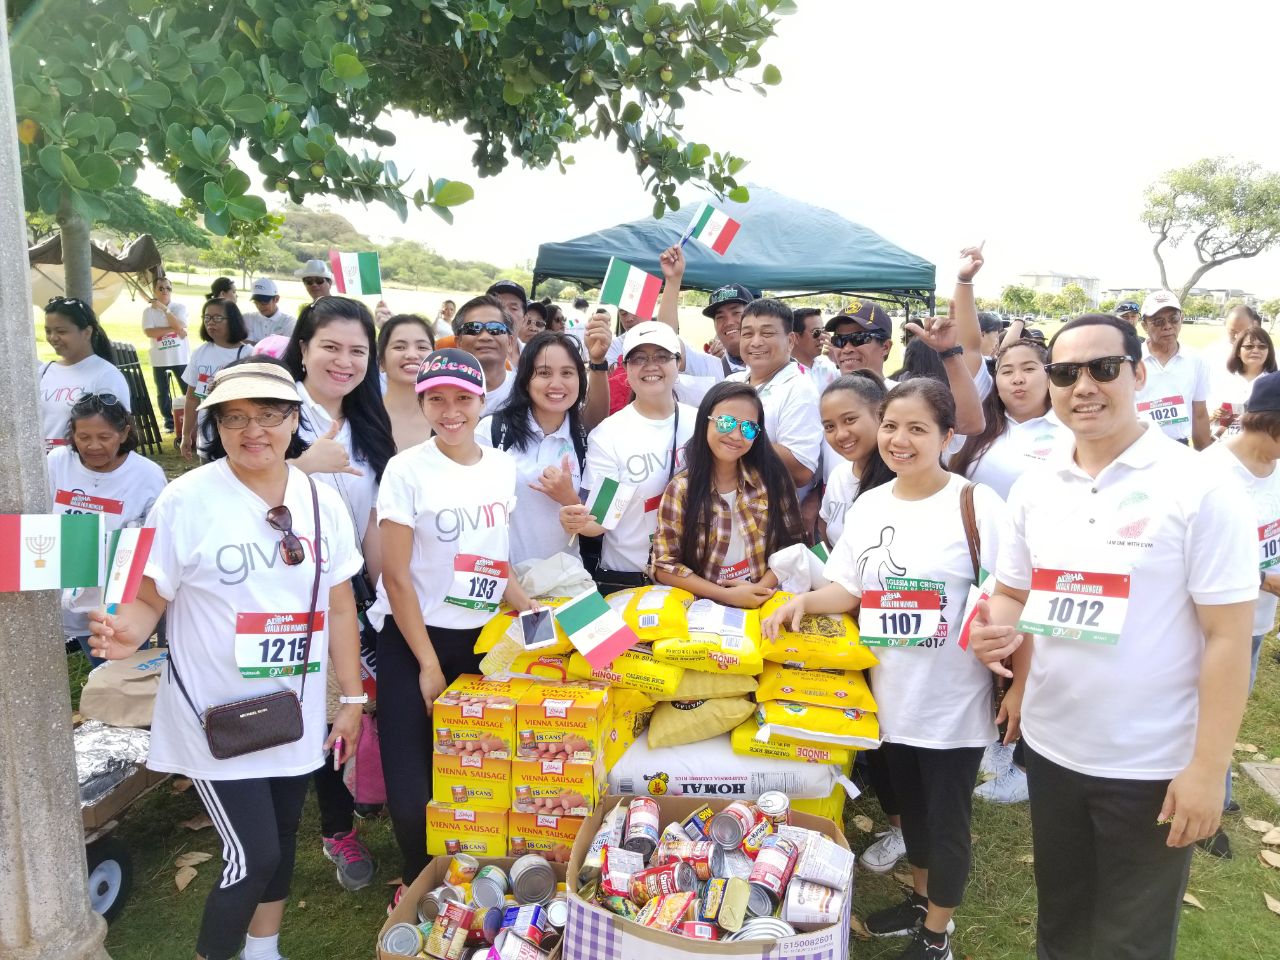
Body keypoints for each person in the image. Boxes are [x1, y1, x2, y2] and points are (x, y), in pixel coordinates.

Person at [966, 314, 1255, 960]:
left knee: (1131, 942)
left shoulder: (1201, 487)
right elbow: (1013, 591)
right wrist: (999, 633)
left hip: (1150, 762)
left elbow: (1229, 639)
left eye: (1103, 368)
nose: (1084, 386)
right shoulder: (1036, 486)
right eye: (1066, 372)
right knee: (1062, 923)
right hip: (1054, 749)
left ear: (1139, 373)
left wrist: (1209, 769)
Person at [87, 359, 366, 960]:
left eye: (268, 415)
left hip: (291, 710)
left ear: (294, 420)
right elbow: (149, 597)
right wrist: (125, 632)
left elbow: (341, 606)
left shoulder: (322, 503)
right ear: (216, 426)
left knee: (282, 839)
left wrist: (351, 697)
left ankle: (263, 950)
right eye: (234, 418)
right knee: (254, 854)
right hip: (214, 716)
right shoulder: (186, 500)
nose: (252, 430)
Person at [764, 378, 1004, 960]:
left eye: (918, 428)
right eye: (892, 426)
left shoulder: (977, 505)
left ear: (947, 436)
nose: (900, 440)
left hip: (952, 697)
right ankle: (922, 902)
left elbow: (1008, 593)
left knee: (945, 818)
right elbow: (848, 588)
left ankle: (937, 936)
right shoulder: (871, 504)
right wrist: (803, 601)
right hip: (889, 693)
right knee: (911, 811)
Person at [367, 348, 538, 909]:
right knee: (412, 771)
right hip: (414, 638)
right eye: (436, 399)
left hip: (481, 638)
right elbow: (395, 576)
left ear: (481, 399)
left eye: (462, 398)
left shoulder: (499, 466)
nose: (450, 411)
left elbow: (493, 556)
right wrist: (427, 665)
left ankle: (476, 872)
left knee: (476, 761)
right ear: (421, 403)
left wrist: (528, 607)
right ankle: (417, 881)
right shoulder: (406, 470)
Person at [281, 296, 395, 890]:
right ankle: (335, 828)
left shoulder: (369, 425)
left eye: (357, 350)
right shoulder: (274, 414)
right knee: (318, 708)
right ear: (303, 349)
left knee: (355, 702)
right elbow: (235, 496)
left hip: (353, 589)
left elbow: (372, 518)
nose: (344, 361)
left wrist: (386, 594)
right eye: (330, 346)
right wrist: (302, 465)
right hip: (289, 593)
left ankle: (360, 795)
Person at [560, 321, 697, 592]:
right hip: (632, 579)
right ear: (625, 368)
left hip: (694, 576)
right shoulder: (610, 435)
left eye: (662, 356)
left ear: (678, 363)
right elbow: (600, 519)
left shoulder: (701, 423)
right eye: (639, 358)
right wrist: (575, 517)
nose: (650, 366)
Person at [651, 381, 803, 606]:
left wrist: (759, 590)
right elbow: (664, 565)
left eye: (748, 428)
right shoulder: (682, 489)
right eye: (726, 422)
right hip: (706, 608)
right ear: (705, 422)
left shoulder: (772, 480)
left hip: (766, 602)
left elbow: (793, 546)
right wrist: (724, 595)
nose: (736, 435)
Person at [49, 394, 166, 665]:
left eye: (104, 437)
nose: (93, 446)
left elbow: (156, 541)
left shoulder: (147, 475)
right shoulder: (57, 462)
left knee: (116, 673)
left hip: (117, 600)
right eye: (84, 437)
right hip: (64, 588)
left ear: (124, 433)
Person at [479, 331, 589, 566]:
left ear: (580, 379)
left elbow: (601, 522)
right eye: (544, 373)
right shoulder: (491, 431)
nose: (556, 384)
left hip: (565, 578)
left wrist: (568, 498)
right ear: (526, 379)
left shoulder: (587, 440)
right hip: (501, 578)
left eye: (567, 373)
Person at [948, 338, 1066, 500]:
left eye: (1029, 369)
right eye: (1007, 372)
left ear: (1049, 377)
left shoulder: (1070, 429)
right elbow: (969, 346)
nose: (1018, 379)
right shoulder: (977, 423)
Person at [726, 298, 823, 492]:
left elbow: (801, 470)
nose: (756, 342)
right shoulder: (730, 382)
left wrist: (737, 435)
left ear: (790, 341)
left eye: (767, 333)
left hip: (769, 507)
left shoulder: (800, 389)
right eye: (747, 334)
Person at [40, 296, 130, 452]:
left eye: (61, 331)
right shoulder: (43, 371)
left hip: (83, 462)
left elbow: (116, 430)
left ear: (87, 332)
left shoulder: (106, 375)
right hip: (42, 463)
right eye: (48, 331)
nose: (53, 338)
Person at [816, 372, 894, 548]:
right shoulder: (838, 476)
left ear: (880, 414)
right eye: (829, 426)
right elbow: (826, 532)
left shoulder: (903, 481)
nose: (840, 434)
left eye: (849, 420)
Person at [1134, 290, 1211, 448]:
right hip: (1137, 445)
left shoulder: (1196, 359)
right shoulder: (1130, 359)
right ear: (1144, 325)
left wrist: (1203, 455)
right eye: (1158, 322)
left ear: (1181, 318)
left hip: (1179, 446)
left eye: (1173, 319)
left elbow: (1200, 413)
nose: (1168, 326)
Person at [181, 298, 252, 460]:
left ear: (232, 321)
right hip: (208, 436)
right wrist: (186, 434)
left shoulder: (248, 354)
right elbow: (192, 398)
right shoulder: (200, 353)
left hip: (239, 436)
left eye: (217, 318)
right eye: (207, 318)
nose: (211, 322)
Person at [453, 295, 517, 415]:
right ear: (459, 342)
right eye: (473, 328)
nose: (485, 337)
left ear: (510, 342)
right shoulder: (441, 389)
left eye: (496, 328)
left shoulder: (526, 390)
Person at [379, 314, 436, 450]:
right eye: (399, 347)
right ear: (381, 361)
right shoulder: (361, 419)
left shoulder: (450, 419)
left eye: (422, 347)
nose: (412, 355)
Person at [1210, 326, 1276, 441]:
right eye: (1249, 346)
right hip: (1224, 444)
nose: (1255, 350)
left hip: (1261, 445)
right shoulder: (1222, 379)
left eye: (1262, 346)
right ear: (1238, 352)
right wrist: (1215, 414)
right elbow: (1205, 417)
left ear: (1269, 351)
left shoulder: (1275, 382)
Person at [141, 275, 190, 433]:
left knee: (187, 390)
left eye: (168, 288)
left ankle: (191, 419)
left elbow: (181, 324)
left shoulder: (179, 307)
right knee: (163, 392)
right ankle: (169, 422)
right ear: (154, 291)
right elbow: (150, 332)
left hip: (180, 357)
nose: (164, 291)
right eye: (160, 288)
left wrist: (164, 309)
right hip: (160, 359)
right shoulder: (148, 312)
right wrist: (174, 329)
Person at [701, 282, 752, 373]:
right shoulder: (709, 369)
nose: (729, 322)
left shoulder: (776, 364)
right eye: (720, 317)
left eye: (736, 313)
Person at [791, 307, 839, 394]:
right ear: (795, 337)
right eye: (816, 332)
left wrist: (838, 361)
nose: (822, 337)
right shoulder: (785, 372)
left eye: (823, 331)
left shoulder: (829, 365)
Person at [244, 278, 297, 342]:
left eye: (264, 303)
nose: (259, 307)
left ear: (276, 299)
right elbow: (246, 343)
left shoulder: (289, 322)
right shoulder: (248, 318)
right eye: (256, 303)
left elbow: (285, 346)